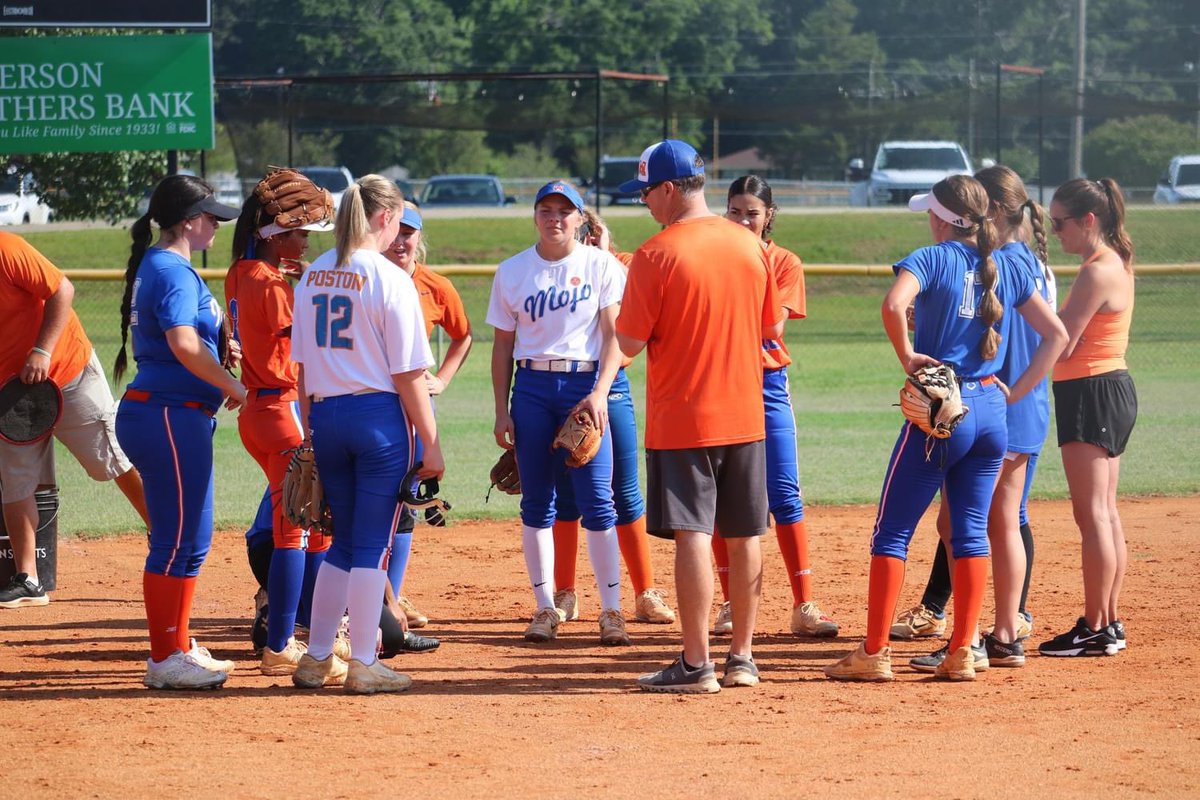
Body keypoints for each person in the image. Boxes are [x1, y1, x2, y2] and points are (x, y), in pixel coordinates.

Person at [824, 174, 1065, 683]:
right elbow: (1057, 335)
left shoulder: (932, 258)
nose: (927, 219)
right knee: (971, 532)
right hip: (990, 412)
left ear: (943, 218)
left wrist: (908, 355)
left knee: (892, 533)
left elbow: (892, 305)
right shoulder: (1002, 262)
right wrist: (1015, 391)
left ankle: (873, 652)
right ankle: (962, 650)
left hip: (941, 413)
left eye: (930, 211)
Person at [616, 140, 784, 693]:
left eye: (645, 192)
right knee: (745, 532)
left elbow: (631, 341)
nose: (644, 202)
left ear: (668, 189)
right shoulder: (750, 244)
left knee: (693, 531)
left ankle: (695, 664)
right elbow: (770, 328)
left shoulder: (656, 253)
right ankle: (743, 658)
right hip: (747, 412)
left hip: (684, 415)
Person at [896, 165, 1058, 672]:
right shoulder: (1029, 261)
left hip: (994, 402)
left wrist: (1006, 394)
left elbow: (1019, 340)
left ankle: (981, 636)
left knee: (972, 523)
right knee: (1003, 521)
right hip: (1013, 407)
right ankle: (1003, 633)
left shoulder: (1005, 260)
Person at [290, 174, 443, 694]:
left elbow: (302, 369)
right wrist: (433, 444)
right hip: (379, 420)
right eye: (398, 221)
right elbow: (407, 376)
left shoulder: (312, 273)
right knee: (373, 547)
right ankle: (363, 662)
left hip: (327, 417)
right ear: (384, 218)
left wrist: (311, 429)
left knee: (343, 541)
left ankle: (315, 658)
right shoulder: (389, 278)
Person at [113, 174, 245, 690]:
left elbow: (192, 343)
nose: (215, 224)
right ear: (188, 220)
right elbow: (183, 345)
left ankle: (177, 645)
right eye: (209, 215)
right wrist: (236, 387)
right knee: (176, 540)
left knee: (192, 538)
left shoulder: (166, 265)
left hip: (176, 414)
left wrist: (222, 354)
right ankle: (165, 655)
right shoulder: (169, 267)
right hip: (167, 414)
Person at [487, 180, 631, 647]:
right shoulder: (512, 271)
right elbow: (503, 346)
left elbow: (615, 338)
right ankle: (545, 607)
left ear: (580, 218)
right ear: (535, 216)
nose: (555, 218)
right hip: (530, 388)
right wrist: (500, 410)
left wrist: (600, 392)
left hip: (582, 386)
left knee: (598, 501)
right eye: (546, 209)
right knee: (537, 502)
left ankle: (612, 611)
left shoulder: (600, 264)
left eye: (564, 211)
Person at [715, 174, 839, 638]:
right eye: (735, 210)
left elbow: (774, 326)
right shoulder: (712, 256)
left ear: (769, 215)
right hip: (720, 381)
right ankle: (730, 604)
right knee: (718, 499)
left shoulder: (783, 261)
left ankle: (804, 604)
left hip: (766, 381)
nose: (744, 220)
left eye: (753, 212)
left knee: (784, 491)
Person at [224, 168, 338, 675]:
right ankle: (280, 644)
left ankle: (311, 627)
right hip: (285, 409)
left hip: (256, 408)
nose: (306, 245)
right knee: (297, 528)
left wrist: (292, 278)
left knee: (307, 525)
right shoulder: (271, 284)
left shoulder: (240, 270)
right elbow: (305, 338)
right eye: (300, 235)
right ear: (275, 235)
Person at [0, 232, 150, 608]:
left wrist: (41, 350)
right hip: (11, 392)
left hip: (66, 369)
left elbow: (61, 290)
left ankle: (164, 536)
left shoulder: (6, 248)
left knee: (114, 457)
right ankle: (29, 580)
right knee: (15, 480)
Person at [549, 209, 676, 628]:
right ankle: (565, 592)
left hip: (613, 388)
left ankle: (645, 592)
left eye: (585, 229)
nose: (579, 237)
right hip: (565, 389)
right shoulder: (548, 267)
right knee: (566, 494)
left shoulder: (620, 266)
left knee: (625, 490)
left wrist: (604, 253)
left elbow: (633, 333)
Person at [1038, 177, 1137, 658]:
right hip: (1107, 388)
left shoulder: (1097, 270)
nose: (1055, 231)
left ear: (1088, 221)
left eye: (1060, 222)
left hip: (1091, 391)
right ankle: (1108, 620)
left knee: (1093, 514)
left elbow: (1064, 342)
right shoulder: (1110, 262)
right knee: (1105, 513)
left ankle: (1097, 626)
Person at [381, 202, 472, 632]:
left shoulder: (434, 285)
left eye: (409, 232)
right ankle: (376, 596)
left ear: (419, 236)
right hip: (372, 401)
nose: (401, 240)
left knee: (407, 499)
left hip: (415, 403)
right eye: (395, 231)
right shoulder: (366, 278)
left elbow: (463, 335)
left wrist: (444, 379)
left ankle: (390, 599)